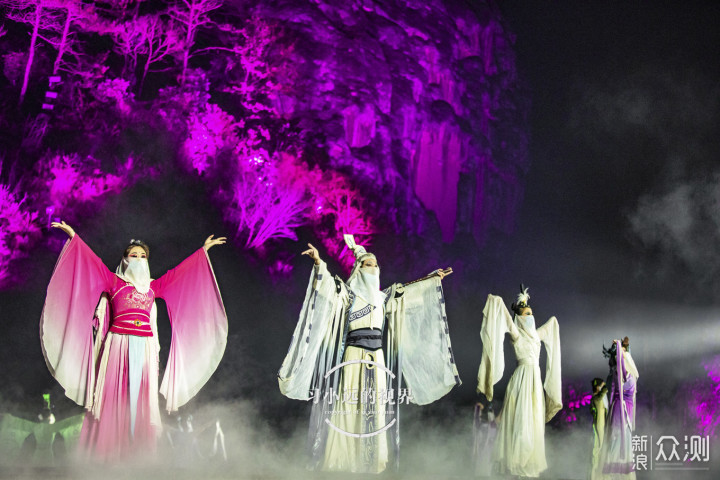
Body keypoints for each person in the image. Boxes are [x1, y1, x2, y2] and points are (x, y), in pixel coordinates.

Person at [41, 221, 228, 461]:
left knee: (140, 399)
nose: (139, 259)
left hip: (145, 345)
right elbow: (92, 263)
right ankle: (107, 453)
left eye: (142, 256)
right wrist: (73, 236)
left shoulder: (153, 287)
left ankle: (136, 454)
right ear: (125, 260)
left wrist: (202, 252)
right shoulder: (114, 283)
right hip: (118, 344)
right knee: (114, 396)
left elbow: (179, 273)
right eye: (133, 255)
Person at [277, 235, 461, 473]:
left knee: (374, 406)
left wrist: (432, 279)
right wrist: (318, 263)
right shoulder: (347, 294)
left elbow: (411, 294)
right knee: (350, 404)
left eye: (375, 265)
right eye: (367, 265)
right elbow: (326, 288)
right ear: (358, 268)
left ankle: (370, 459)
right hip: (353, 356)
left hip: (378, 357)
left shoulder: (384, 298)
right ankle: (344, 459)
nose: (372, 269)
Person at [476, 286, 562, 478]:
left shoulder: (537, 336)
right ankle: (517, 465)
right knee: (521, 423)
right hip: (521, 380)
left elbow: (553, 324)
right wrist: (496, 301)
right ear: (521, 318)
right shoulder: (517, 334)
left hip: (535, 381)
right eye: (527, 314)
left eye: (531, 313)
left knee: (533, 423)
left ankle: (528, 466)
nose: (531, 317)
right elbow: (504, 315)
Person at [599, 337, 639, 479]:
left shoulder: (629, 374)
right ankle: (614, 473)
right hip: (619, 410)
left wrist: (622, 346)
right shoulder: (620, 374)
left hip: (624, 410)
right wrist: (620, 347)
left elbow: (624, 358)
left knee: (623, 439)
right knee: (616, 438)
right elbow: (621, 362)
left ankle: (619, 473)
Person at [589, 377, 608, 480]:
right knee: (598, 448)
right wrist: (606, 385)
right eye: (601, 385)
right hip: (598, 425)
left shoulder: (598, 397)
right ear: (597, 387)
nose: (602, 387)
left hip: (603, 424)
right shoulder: (596, 398)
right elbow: (603, 392)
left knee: (603, 448)